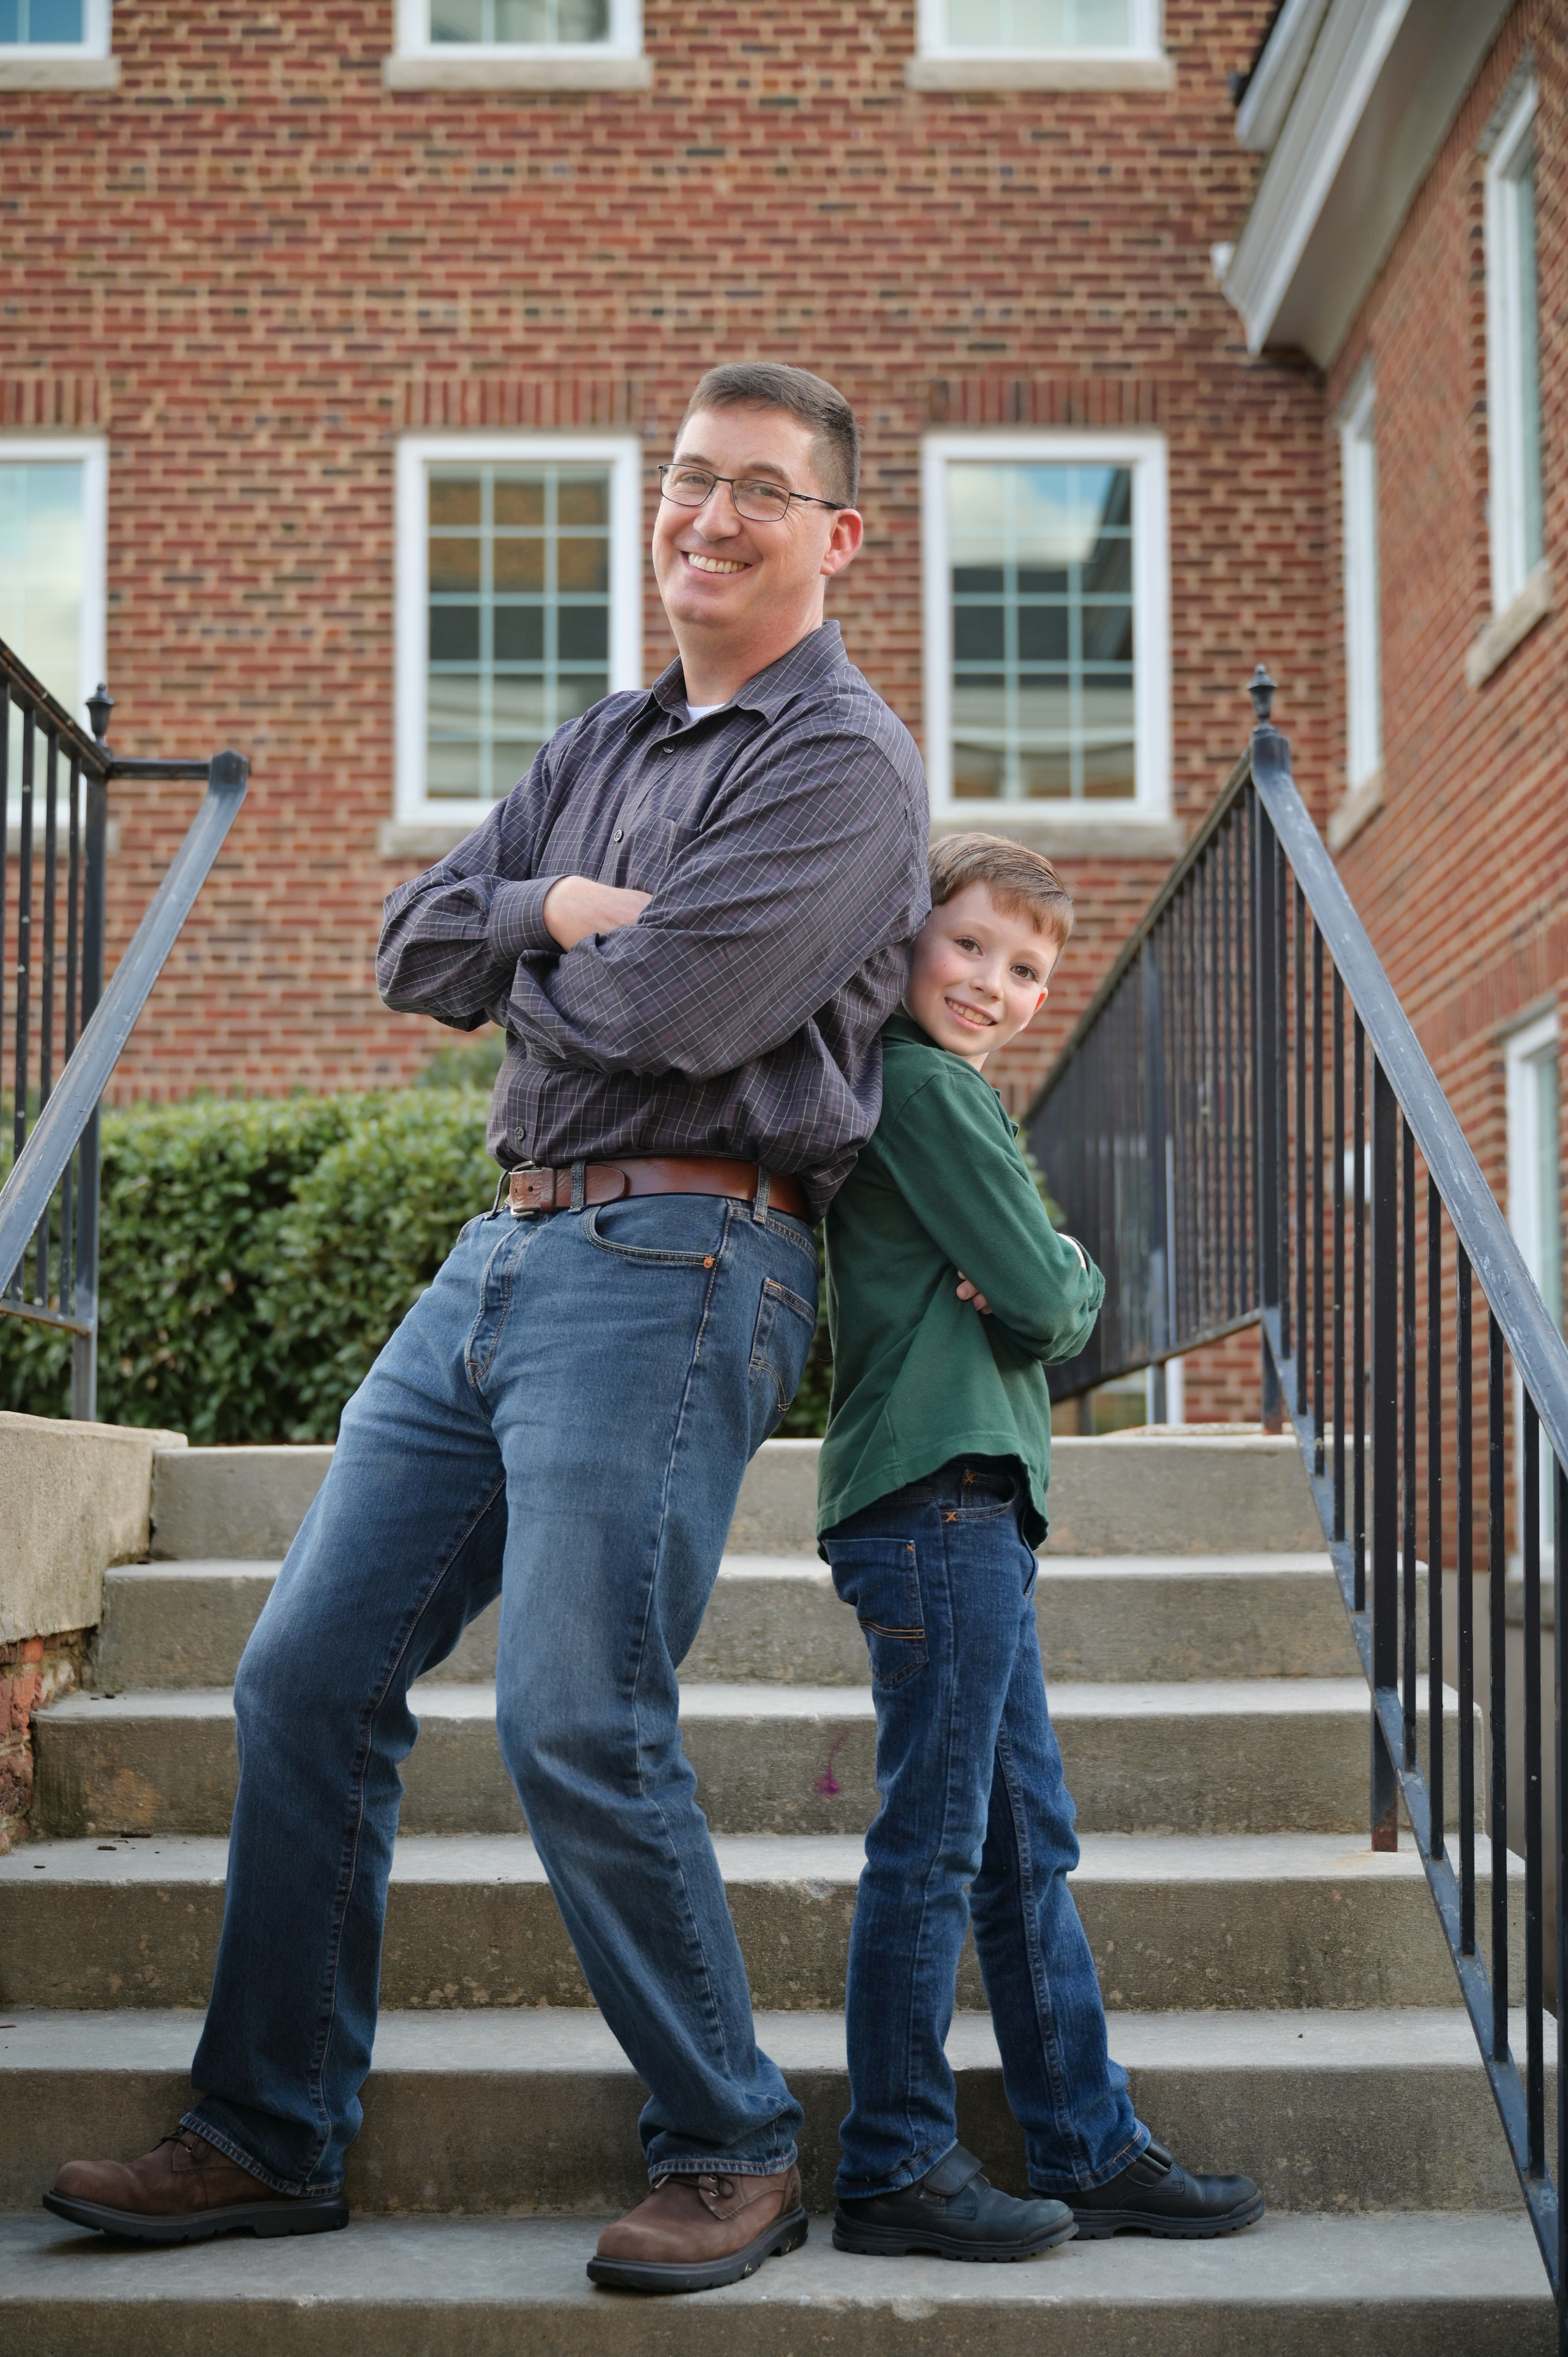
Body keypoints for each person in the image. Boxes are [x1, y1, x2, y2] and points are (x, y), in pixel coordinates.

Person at [43, 361, 930, 2295]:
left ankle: (730, 2144)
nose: (709, 513)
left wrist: (531, 942)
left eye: (760, 491)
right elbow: (404, 944)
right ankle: (270, 2131)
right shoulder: (605, 735)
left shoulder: (846, 763)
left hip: (688, 1262)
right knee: (300, 1678)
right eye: (688, 477)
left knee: (573, 1715)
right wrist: (561, 907)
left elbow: (671, 1022)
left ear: (838, 536)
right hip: (500, 1259)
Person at [818, 833, 1265, 2260]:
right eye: (967, 946)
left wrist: (1044, 1271)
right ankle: (891, 2155)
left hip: (965, 1501)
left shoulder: (941, 1095)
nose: (991, 984)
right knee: (939, 1847)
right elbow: (1048, 1299)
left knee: (1021, 1846)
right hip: (937, 1494)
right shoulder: (928, 1089)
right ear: (904, 941)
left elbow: (1044, 1283)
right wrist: (1049, 1271)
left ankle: (1082, 2137)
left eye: (1023, 970)